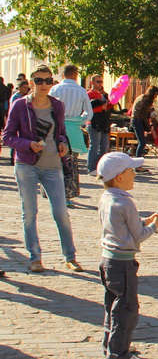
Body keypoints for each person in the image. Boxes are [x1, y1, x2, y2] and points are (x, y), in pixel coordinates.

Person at [1, 65, 83, 273]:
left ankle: (70, 256)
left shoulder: (57, 105)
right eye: (39, 81)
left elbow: (61, 132)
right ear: (31, 83)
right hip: (26, 164)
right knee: (29, 212)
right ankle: (35, 257)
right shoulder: (20, 105)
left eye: (48, 80)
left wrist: (63, 143)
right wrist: (28, 144)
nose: (44, 85)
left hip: (52, 164)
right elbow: (8, 136)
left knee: (60, 212)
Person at [96, 151, 158, 359]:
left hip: (108, 260)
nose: (134, 175)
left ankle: (113, 344)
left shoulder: (107, 198)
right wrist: (155, 226)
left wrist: (147, 220)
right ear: (119, 177)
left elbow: (129, 225)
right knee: (126, 307)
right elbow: (139, 235)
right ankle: (119, 354)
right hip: (122, 263)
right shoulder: (125, 203)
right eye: (131, 171)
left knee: (112, 306)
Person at [50, 65, 92, 198]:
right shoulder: (80, 90)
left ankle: (56, 192)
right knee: (72, 162)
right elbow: (89, 113)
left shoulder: (55, 89)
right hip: (73, 129)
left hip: (57, 129)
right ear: (75, 75)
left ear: (63, 75)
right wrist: (79, 121)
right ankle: (69, 193)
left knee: (56, 161)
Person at [86, 74, 112, 175]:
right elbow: (87, 109)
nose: (100, 84)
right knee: (94, 146)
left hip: (103, 122)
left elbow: (107, 106)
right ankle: (91, 168)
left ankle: (99, 167)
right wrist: (101, 108)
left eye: (101, 82)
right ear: (92, 82)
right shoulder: (89, 94)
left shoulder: (102, 95)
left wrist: (111, 101)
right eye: (98, 82)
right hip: (93, 122)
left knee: (104, 147)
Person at [130, 86, 158, 165]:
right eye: (156, 94)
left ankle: (138, 163)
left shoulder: (142, 97)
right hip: (137, 120)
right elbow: (143, 115)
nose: (156, 97)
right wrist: (149, 127)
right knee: (142, 142)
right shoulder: (145, 100)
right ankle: (137, 164)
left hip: (136, 120)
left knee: (142, 142)